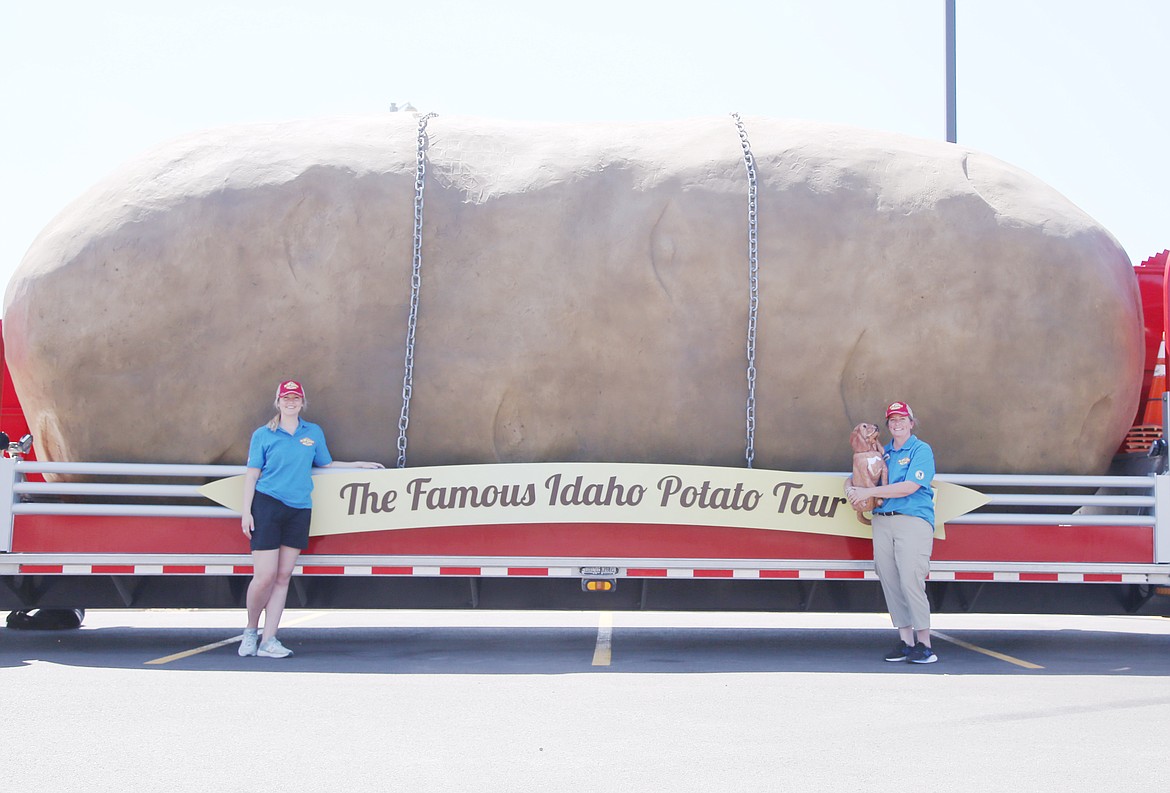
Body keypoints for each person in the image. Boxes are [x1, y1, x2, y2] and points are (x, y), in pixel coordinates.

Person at [239, 379, 383, 658]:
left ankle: (269, 640)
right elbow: (252, 474)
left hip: (300, 508)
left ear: (302, 402)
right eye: (286, 398)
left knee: (282, 577)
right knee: (264, 576)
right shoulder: (263, 434)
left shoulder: (312, 432)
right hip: (268, 505)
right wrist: (247, 512)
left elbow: (325, 464)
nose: (290, 402)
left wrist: (357, 465)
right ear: (278, 402)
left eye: (295, 398)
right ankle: (250, 631)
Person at [845, 401, 938, 664]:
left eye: (902, 419)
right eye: (892, 421)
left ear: (911, 422)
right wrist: (850, 487)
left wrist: (869, 492)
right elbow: (862, 477)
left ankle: (925, 645)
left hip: (911, 520)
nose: (897, 424)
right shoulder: (882, 453)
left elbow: (909, 486)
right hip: (882, 521)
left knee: (911, 578)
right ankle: (906, 641)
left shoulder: (920, 450)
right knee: (889, 579)